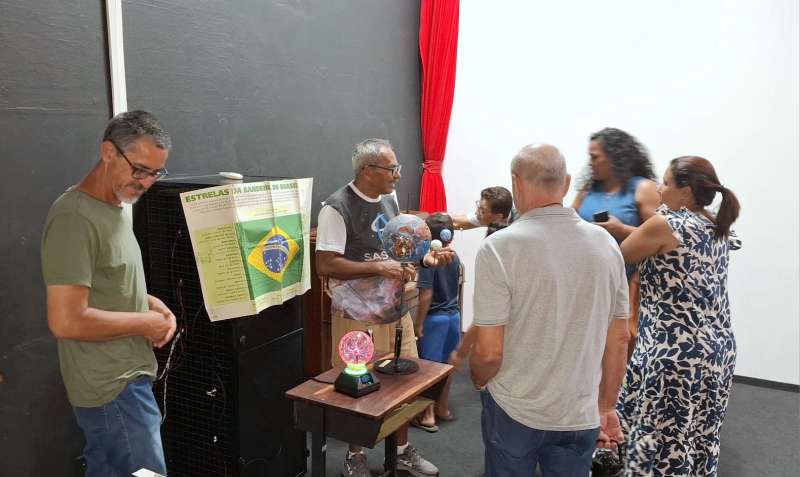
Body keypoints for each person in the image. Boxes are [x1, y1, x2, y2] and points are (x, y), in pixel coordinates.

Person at [469, 143, 631, 477]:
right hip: (579, 412)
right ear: (567, 182)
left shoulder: (499, 248)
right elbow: (619, 338)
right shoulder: (606, 244)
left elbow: (488, 353)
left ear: (516, 183)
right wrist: (606, 406)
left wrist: (478, 378)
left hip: (515, 409)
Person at [41, 110, 177, 476]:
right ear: (108, 152)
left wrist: (150, 304)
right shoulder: (75, 218)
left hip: (123, 382)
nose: (146, 183)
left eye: (156, 173)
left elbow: (107, 286)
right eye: (140, 169)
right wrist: (144, 324)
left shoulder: (113, 207)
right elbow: (66, 320)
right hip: (112, 388)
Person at [316, 138, 453, 477]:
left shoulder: (390, 200)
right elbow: (325, 264)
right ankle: (355, 457)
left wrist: (426, 259)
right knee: (356, 389)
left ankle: (402, 452)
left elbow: (399, 250)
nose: (398, 174)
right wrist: (378, 267)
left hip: (395, 311)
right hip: (355, 317)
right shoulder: (336, 207)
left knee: (404, 384)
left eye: (397, 167)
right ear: (367, 170)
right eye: (392, 168)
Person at [617, 156, 741, 476]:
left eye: (665, 182)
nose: (659, 189)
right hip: (717, 353)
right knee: (697, 436)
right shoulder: (717, 226)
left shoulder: (665, 224)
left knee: (655, 440)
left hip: (672, 354)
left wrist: (614, 231)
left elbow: (618, 256)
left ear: (685, 191)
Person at [572, 127, 660, 355]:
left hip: (626, 286)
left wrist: (621, 230)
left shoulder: (643, 188)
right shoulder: (588, 190)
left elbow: (661, 237)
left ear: (614, 156)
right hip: (585, 284)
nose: (590, 163)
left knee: (618, 351)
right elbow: (567, 226)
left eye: (595, 157)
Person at [412, 213, 462, 432]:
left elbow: (426, 295)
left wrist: (419, 324)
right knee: (447, 366)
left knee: (429, 369)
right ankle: (443, 407)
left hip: (435, 319)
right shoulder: (454, 256)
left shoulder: (429, 261)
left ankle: (428, 415)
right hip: (454, 317)